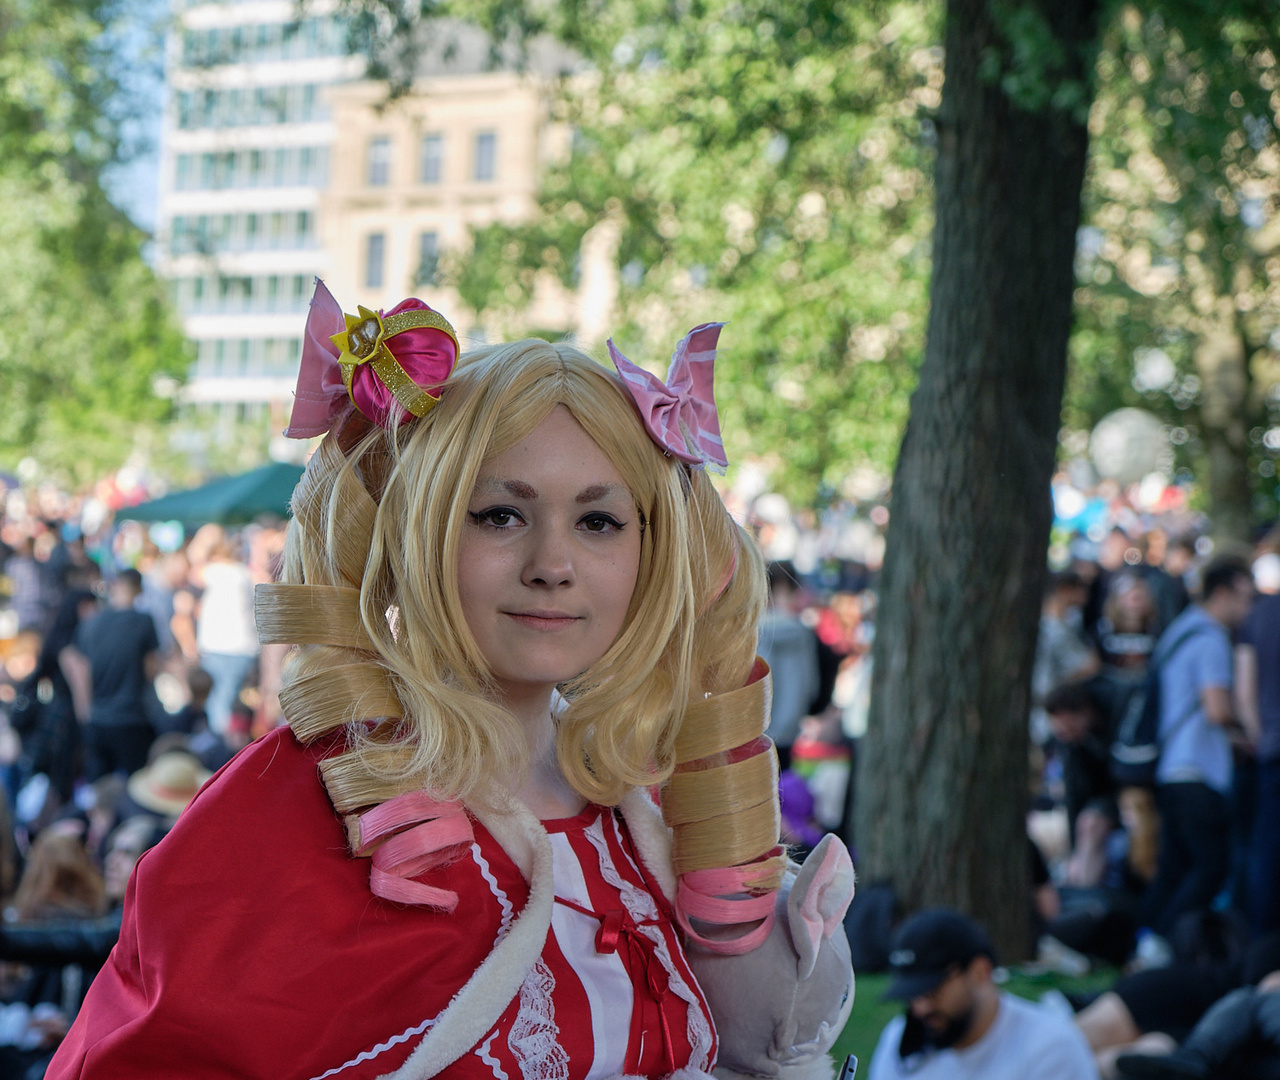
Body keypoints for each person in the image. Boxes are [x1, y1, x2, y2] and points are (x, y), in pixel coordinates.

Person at [47, 284, 814, 1078]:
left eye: (598, 522)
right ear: (418, 535)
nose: (553, 566)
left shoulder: (640, 804)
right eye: (499, 515)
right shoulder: (287, 807)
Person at [1142, 556, 1255, 943]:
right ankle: (1165, 945)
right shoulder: (1210, 639)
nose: (1248, 609)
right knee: (1210, 867)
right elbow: (1217, 708)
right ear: (1221, 593)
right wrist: (1248, 733)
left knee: (1174, 868)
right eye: (1245, 598)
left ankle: (1143, 943)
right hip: (1198, 771)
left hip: (1171, 767)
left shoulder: (1180, 630)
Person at [868, 908, 1098, 1079]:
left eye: (932, 991)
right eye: (911, 995)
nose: (920, 1008)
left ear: (980, 971)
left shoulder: (1050, 1048)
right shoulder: (899, 1039)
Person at [59, 570, 160, 781]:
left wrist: (85, 714)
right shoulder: (143, 621)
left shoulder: (90, 623)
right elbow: (151, 670)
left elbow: (79, 670)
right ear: (139, 589)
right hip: (132, 718)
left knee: (99, 789)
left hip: (97, 719)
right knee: (137, 786)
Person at [1238, 572, 1280, 937]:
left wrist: (1259, 736)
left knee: (1267, 849)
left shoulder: (1260, 613)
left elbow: (1244, 691)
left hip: (1272, 750)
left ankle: (1262, 944)